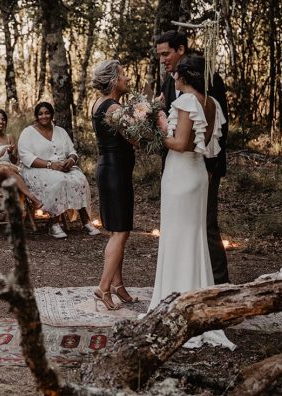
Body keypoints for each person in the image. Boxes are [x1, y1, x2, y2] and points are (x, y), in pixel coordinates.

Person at [150, 55, 234, 349]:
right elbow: (209, 148)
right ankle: (197, 297)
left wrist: (160, 124)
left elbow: (180, 144)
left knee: (177, 237)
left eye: (176, 74)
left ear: (185, 76)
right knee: (194, 238)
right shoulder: (212, 103)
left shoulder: (186, 101)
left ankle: (176, 302)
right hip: (199, 175)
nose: (172, 77)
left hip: (181, 176)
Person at [156, 30, 230, 284]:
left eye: (166, 53)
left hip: (202, 165)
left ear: (181, 49)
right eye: (160, 55)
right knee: (184, 229)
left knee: (205, 227)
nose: (163, 60)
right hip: (179, 166)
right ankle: (187, 280)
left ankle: (218, 284)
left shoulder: (210, 81)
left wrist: (211, 164)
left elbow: (220, 128)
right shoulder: (168, 82)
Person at [90, 61, 136, 310]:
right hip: (116, 173)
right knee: (120, 232)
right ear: (113, 80)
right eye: (123, 74)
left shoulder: (99, 104)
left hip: (107, 170)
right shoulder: (114, 108)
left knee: (117, 230)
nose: (126, 78)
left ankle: (118, 286)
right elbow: (136, 138)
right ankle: (104, 287)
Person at [17, 102, 93, 239]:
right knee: (58, 181)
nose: (44, 116)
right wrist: (50, 164)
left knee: (81, 179)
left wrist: (71, 160)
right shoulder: (28, 133)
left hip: (63, 168)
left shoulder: (61, 131)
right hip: (36, 169)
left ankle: (86, 220)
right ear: (36, 116)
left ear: (52, 114)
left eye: (47, 113)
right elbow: (25, 156)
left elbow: (72, 151)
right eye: (40, 113)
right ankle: (54, 224)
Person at [0, 108, 42, 209]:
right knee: (5, 169)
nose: (1, 122)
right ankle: (33, 199)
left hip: (10, 170)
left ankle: (27, 208)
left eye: (3, 119)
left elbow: (14, 161)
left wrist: (10, 154)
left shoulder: (10, 137)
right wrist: (0, 154)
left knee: (27, 172)